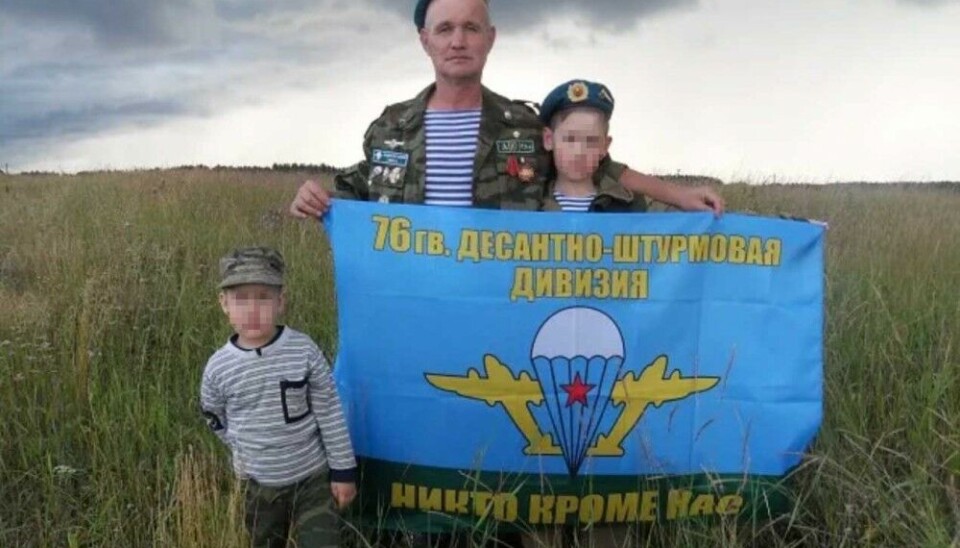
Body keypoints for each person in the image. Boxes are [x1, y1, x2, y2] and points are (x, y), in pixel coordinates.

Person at [288, 0, 724, 220]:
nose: (458, 41)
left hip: (500, 300)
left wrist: (680, 196)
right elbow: (357, 189)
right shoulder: (391, 128)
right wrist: (316, 199)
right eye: (445, 29)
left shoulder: (525, 129)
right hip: (415, 297)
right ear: (426, 41)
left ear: (490, 38)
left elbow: (605, 168)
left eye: (471, 28)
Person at [200, 247, 357, 548]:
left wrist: (343, 472)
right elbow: (214, 415)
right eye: (241, 299)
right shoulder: (219, 367)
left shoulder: (303, 350)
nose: (253, 310)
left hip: (312, 479)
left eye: (263, 297)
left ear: (280, 301)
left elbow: (330, 412)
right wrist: (242, 446)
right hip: (258, 486)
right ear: (224, 304)